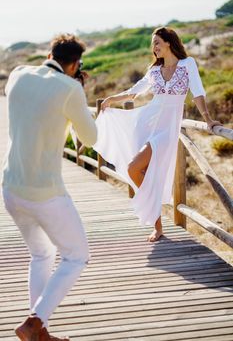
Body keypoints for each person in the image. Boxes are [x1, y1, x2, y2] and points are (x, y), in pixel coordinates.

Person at [2, 34, 97, 341]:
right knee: (76, 255)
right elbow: (90, 138)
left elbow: (33, 101)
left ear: (50, 53)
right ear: (74, 65)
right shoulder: (70, 87)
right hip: (45, 193)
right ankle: (34, 322)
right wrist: (78, 90)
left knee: (41, 254)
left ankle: (39, 331)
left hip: (12, 187)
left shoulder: (18, 73)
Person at [93, 27, 221, 243]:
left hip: (167, 129)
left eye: (157, 43)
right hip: (146, 123)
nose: (154, 48)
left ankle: (153, 213)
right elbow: (134, 91)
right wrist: (110, 99)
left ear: (169, 42)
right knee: (135, 170)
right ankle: (158, 225)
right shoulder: (154, 71)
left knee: (137, 168)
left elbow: (197, 92)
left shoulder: (187, 65)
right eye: (153, 44)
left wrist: (208, 119)